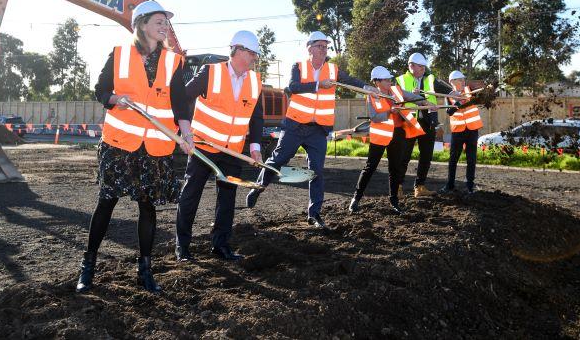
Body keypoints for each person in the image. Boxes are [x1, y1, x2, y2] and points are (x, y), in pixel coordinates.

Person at [77, 0, 193, 294]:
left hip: (154, 147)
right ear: (141, 24)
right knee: (107, 203)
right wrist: (116, 99)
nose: (164, 26)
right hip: (119, 144)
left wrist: (187, 135)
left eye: (166, 22)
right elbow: (101, 89)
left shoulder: (174, 61)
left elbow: (180, 103)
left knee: (148, 207)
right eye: (159, 21)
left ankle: (145, 270)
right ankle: (87, 268)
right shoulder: (119, 55)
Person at [246, 31, 377, 229]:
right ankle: (258, 187)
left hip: (318, 130)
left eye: (326, 46)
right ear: (310, 48)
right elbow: (293, 87)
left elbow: (350, 80)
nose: (324, 50)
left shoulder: (333, 70)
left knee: (316, 172)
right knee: (278, 160)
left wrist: (367, 86)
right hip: (295, 126)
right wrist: (317, 84)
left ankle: (314, 214)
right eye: (320, 46)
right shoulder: (298, 66)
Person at [174, 30, 264, 262]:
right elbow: (183, 97)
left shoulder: (255, 81)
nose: (254, 58)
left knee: (227, 200)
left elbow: (256, 118)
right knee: (190, 195)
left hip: (233, 151)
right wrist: (184, 132)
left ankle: (220, 246)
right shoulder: (210, 72)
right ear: (239, 51)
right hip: (204, 147)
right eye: (252, 53)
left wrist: (255, 147)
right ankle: (182, 247)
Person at [349, 66, 425, 214]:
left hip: (398, 134)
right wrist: (389, 112)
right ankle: (356, 199)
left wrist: (423, 101)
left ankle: (394, 200)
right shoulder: (372, 95)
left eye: (390, 79)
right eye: (386, 80)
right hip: (381, 135)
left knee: (395, 168)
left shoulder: (396, 90)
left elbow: (413, 97)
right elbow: (374, 117)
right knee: (370, 168)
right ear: (377, 82)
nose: (390, 81)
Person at [396, 52, 451, 198]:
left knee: (426, 155)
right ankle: (397, 186)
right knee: (404, 156)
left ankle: (419, 187)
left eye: (424, 67)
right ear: (411, 66)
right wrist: (419, 98)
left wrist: (455, 92)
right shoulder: (400, 80)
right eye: (420, 67)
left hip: (427, 122)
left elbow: (445, 88)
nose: (423, 70)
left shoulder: (430, 79)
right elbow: (397, 95)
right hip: (408, 122)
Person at [438, 70, 483, 195]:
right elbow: (449, 112)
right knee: (453, 159)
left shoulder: (470, 91)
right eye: (460, 80)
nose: (463, 82)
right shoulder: (449, 96)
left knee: (471, 158)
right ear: (452, 82)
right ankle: (450, 185)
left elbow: (480, 97)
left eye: (463, 79)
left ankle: (470, 185)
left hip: (472, 129)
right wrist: (458, 102)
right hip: (458, 131)